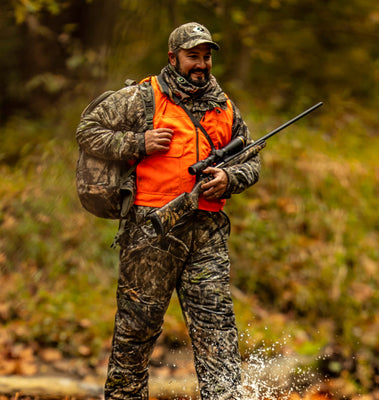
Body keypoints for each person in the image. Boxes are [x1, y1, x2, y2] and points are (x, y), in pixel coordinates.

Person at [76, 22, 261, 400]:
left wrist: (229, 178)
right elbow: (87, 130)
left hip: (207, 232)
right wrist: (137, 141)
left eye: (206, 56)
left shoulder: (224, 106)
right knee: (136, 331)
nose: (202, 64)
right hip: (151, 229)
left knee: (218, 331)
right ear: (173, 57)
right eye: (193, 56)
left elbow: (251, 162)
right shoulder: (142, 97)